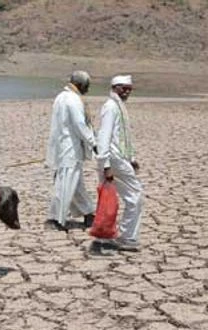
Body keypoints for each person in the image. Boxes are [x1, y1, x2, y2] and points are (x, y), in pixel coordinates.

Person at [95, 75, 143, 251]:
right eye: (124, 88)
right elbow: (104, 136)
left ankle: (104, 237)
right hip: (113, 160)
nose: (127, 91)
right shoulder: (110, 107)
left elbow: (122, 136)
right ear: (115, 87)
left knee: (109, 199)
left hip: (118, 159)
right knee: (135, 196)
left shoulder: (119, 107)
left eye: (129, 88)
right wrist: (106, 165)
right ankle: (127, 237)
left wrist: (131, 159)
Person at [45, 70, 97, 231]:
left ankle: (89, 214)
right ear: (80, 84)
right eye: (87, 86)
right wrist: (93, 142)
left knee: (76, 185)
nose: (87, 90)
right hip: (69, 149)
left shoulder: (61, 96)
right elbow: (79, 125)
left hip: (63, 147)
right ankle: (55, 219)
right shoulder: (73, 100)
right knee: (65, 185)